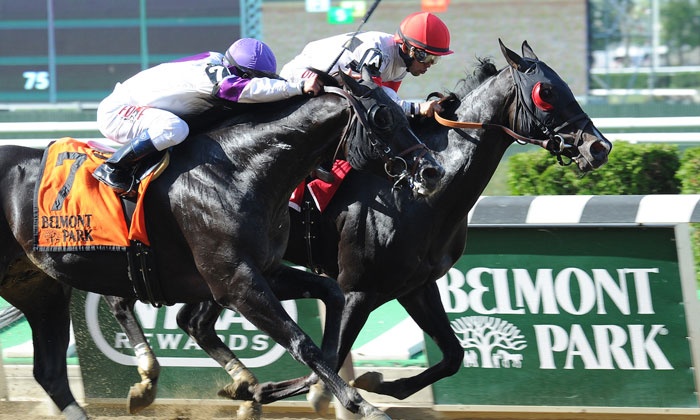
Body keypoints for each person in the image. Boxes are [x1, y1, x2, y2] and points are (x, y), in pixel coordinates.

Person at [93, 38, 323, 196]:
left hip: (150, 107)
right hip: (119, 112)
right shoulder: (210, 78)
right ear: (241, 72)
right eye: (251, 77)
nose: (253, 81)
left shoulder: (221, 62)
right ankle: (114, 167)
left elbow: (259, 87)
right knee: (173, 129)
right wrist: (299, 86)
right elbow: (248, 90)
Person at [280, 11, 452, 119]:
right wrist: (417, 107)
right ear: (407, 48)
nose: (429, 65)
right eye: (427, 57)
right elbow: (375, 102)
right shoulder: (377, 54)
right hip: (300, 78)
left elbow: (390, 105)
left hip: (333, 88)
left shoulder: (401, 65)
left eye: (435, 59)